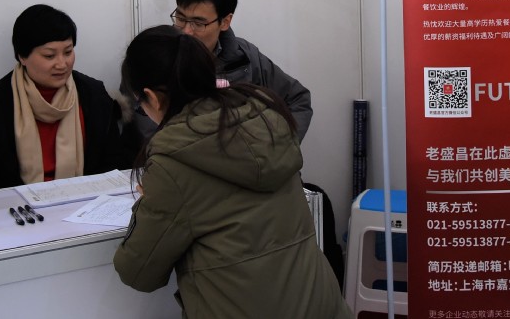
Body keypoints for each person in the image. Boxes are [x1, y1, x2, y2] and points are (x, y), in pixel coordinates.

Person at [113, 26, 351, 319]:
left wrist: (147, 201)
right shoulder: (266, 119)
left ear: (152, 97)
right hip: (323, 307)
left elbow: (137, 272)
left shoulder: (173, 162)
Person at [0, 4, 137, 191]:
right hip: (17, 206)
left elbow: (113, 168)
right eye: (49, 55)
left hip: (85, 202)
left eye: (68, 52)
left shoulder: (95, 98)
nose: (62, 64)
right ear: (22, 57)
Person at [171, 0, 313, 140]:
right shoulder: (160, 55)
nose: (186, 31)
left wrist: (279, 148)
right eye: (180, 18)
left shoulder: (245, 57)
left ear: (225, 22)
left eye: (198, 23)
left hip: (240, 154)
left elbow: (297, 99)